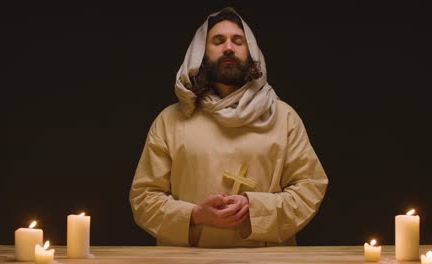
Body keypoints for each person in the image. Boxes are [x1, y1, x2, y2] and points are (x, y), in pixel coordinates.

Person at [129, 7, 328, 248]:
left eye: (237, 41)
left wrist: (254, 209)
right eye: (218, 41)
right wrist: (195, 215)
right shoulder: (170, 120)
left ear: (251, 51)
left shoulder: (283, 117)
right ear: (201, 53)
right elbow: (144, 198)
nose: (229, 48)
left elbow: (310, 188)